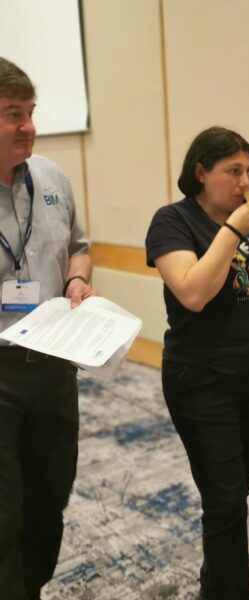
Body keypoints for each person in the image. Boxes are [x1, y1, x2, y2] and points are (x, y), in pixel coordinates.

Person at [145, 126, 249, 600]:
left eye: (248, 170)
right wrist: (233, 230)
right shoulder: (173, 222)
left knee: (233, 494)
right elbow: (193, 292)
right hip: (201, 380)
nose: (244, 181)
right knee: (226, 500)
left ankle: (215, 586)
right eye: (233, 171)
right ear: (201, 172)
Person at [0, 58, 96, 599]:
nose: (29, 126)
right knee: (3, 513)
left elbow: (79, 247)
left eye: (31, 112)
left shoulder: (54, 179)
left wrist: (77, 279)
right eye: (13, 114)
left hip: (55, 365)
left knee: (48, 499)